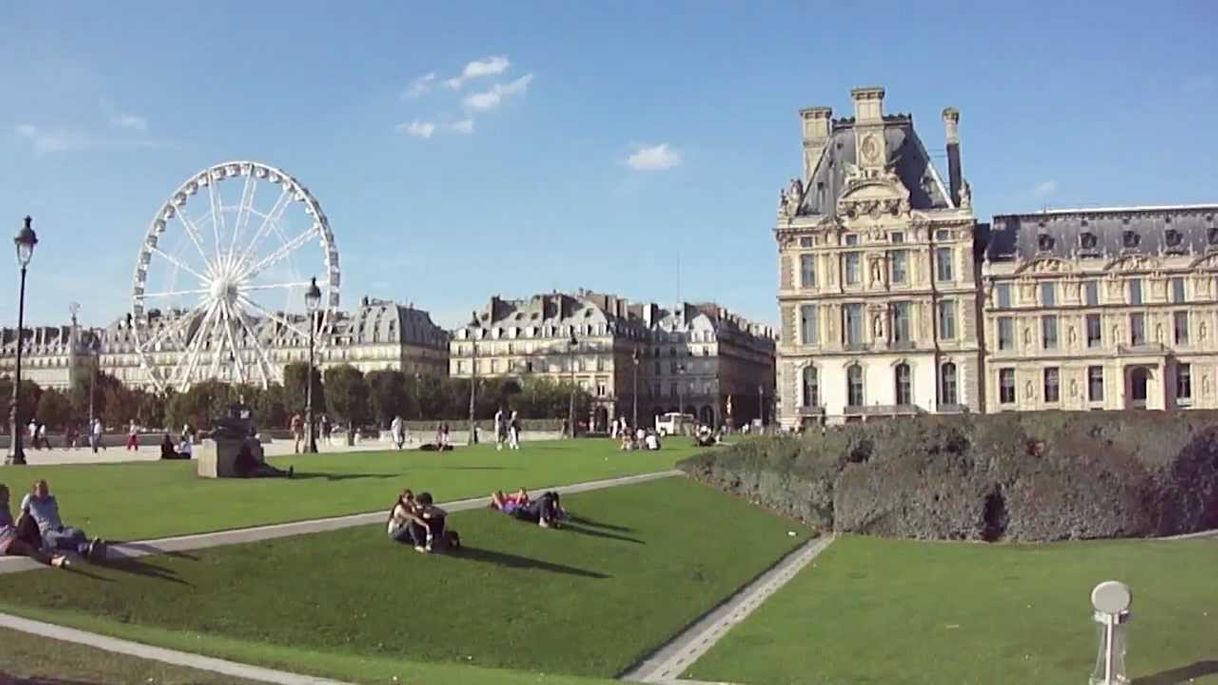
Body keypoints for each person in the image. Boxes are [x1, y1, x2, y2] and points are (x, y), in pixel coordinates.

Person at [20, 480, 106, 561]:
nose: (44, 492)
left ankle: (88, 548)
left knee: (78, 532)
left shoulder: (51, 500)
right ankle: (86, 549)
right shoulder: (31, 500)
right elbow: (23, 515)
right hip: (45, 531)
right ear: (35, 491)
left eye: (45, 489)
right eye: (41, 490)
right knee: (59, 539)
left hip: (60, 527)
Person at [0, 484, 69, 568]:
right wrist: (10, 531)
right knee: (26, 547)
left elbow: (9, 524)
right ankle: (52, 561)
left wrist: (15, 528)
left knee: (28, 518)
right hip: (4, 543)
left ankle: (41, 548)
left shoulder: (5, 508)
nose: (9, 497)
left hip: (11, 535)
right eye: (6, 495)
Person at [492, 489, 563, 528]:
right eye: (501, 496)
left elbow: (521, 498)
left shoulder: (510, 501)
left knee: (549, 494)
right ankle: (542, 520)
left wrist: (518, 495)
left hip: (530, 508)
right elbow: (495, 497)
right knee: (545, 500)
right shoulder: (505, 506)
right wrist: (497, 497)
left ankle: (555, 514)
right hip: (529, 513)